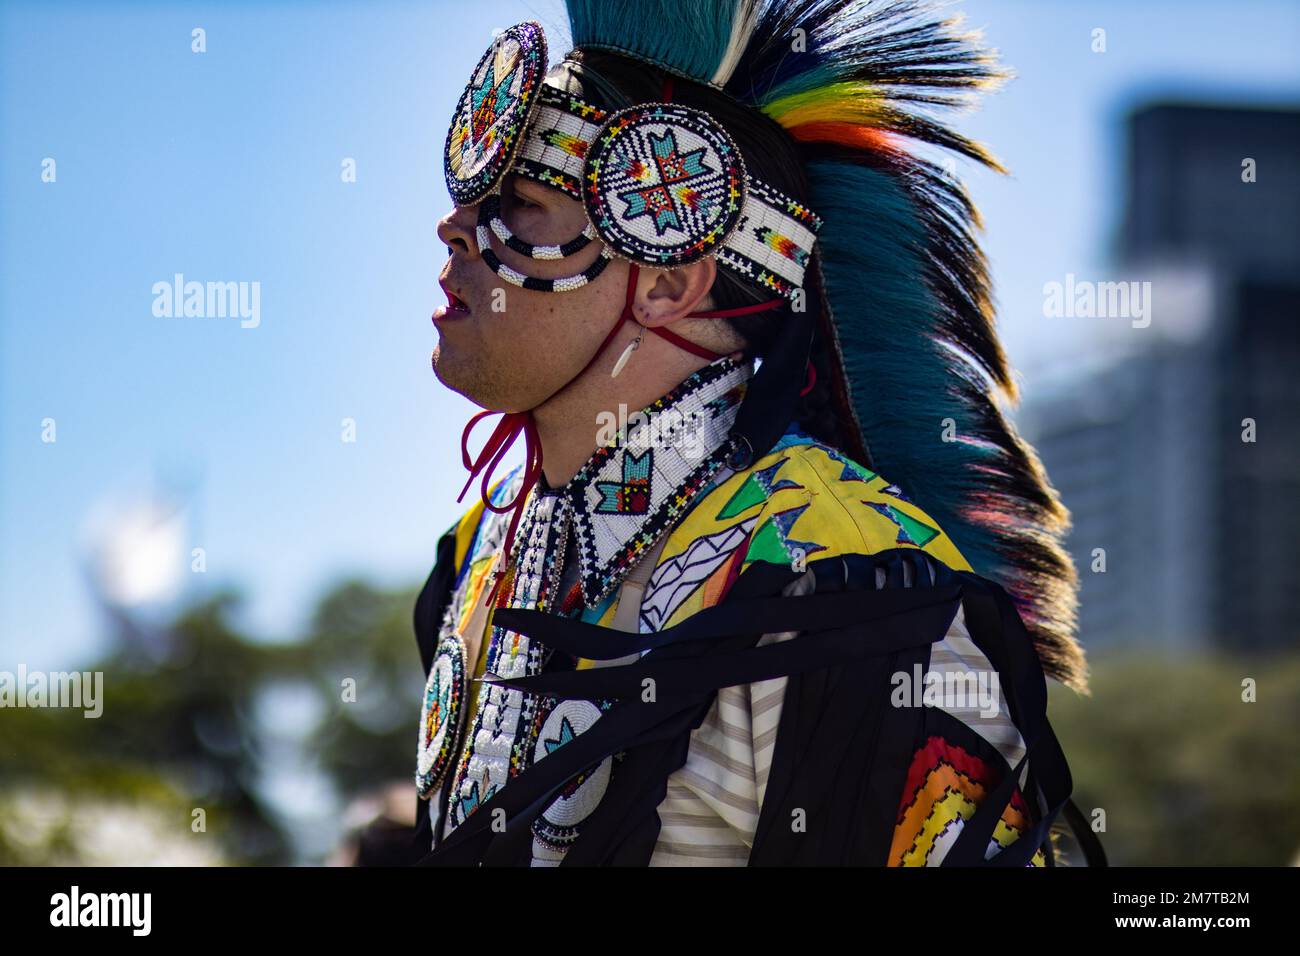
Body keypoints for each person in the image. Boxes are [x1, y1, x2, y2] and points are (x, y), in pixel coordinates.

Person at [411, 0, 1104, 867]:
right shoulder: (477, 561)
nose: (456, 228)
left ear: (668, 283)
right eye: (471, 198)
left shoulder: (840, 587)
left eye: (519, 203)